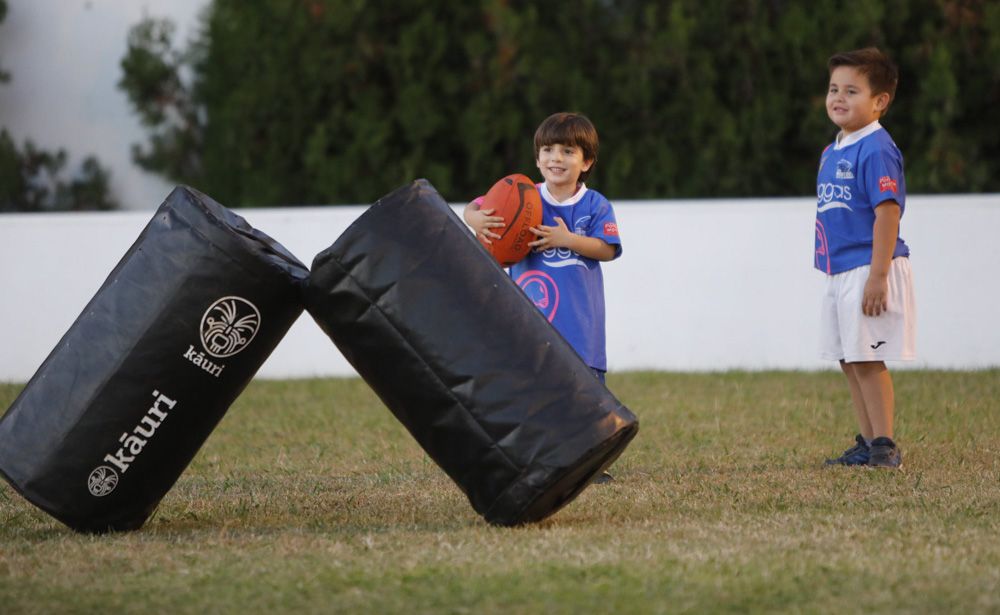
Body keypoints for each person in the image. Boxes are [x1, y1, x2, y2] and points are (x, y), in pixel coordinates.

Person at [464, 112, 622, 481]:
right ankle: (533, 460)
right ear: (537, 158)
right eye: (548, 150)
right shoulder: (522, 194)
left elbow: (608, 248)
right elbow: (475, 206)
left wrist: (567, 240)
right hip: (529, 321)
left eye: (568, 151)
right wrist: (475, 221)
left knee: (584, 398)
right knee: (529, 393)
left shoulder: (594, 205)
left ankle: (590, 463)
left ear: (587, 162)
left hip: (581, 325)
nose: (556, 158)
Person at [815, 48, 916, 468]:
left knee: (867, 357)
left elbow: (887, 212)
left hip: (869, 267)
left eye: (852, 90)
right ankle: (867, 439)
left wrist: (878, 276)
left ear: (880, 102)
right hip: (839, 270)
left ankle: (885, 444)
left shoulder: (875, 148)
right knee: (848, 356)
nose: (838, 97)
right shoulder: (832, 150)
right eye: (834, 88)